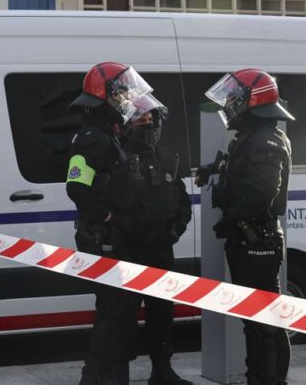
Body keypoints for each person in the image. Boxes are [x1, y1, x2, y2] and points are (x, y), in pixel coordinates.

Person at [195, 69, 294, 385]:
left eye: (236, 100)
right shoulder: (251, 137)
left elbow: (261, 193)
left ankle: (266, 379)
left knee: (264, 321)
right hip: (247, 237)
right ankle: (260, 376)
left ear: (254, 101)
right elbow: (236, 169)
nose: (230, 106)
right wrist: (211, 169)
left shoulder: (264, 140)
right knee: (256, 317)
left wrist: (231, 218)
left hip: (256, 239)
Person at [66, 61, 153, 385]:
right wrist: (110, 217)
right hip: (104, 238)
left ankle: (115, 375)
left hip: (114, 239)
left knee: (121, 310)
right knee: (114, 310)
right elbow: (77, 188)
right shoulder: (91, 139)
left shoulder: (107, 134)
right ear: (107, 98)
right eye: (123, 94)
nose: (128, 99)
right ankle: (96, 377)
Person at [124, 95, 193, 385]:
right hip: (129, 251)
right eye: (142, 119)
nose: (149, 124)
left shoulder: (167, 156)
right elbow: (113, 205)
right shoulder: (120, 157)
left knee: (162, 312)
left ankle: (162, 370)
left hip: (162, 250)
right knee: (123, 314)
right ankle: (118, 372)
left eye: (152, 119)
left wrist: (175, 230)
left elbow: (182, 202)